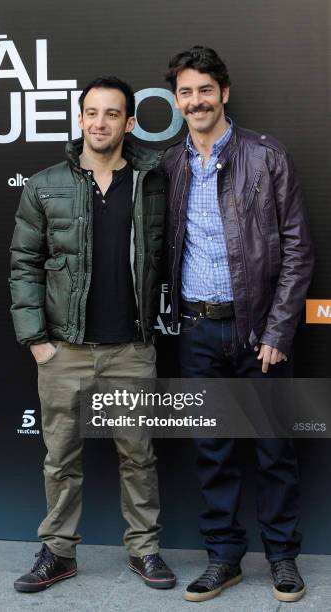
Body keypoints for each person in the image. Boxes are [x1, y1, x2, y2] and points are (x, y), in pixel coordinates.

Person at [9, 76, 176, 593]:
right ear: (80, 119)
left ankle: (144, 550)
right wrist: (37, 340)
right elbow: (24, 264)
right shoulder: (45, 184)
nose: (100, 123)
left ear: (129, 123)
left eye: (112, 114)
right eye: (91, 113)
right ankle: (57, 552)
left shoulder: (152, 182)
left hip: (130, 348)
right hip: (65, 350)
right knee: (60, 458)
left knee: (138, 456)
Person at [163, 46, 313, 603]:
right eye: (185, 92)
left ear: (224, 93)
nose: (196, 101)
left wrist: (278, 330)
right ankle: (223, 558)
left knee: (274, 448)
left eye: (205, 90)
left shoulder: (267, 156)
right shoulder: (171, 166)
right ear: (175, 100)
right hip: (197, 331)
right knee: (213, 449)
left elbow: (297, 247)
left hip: (259, 333)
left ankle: (282, 558)